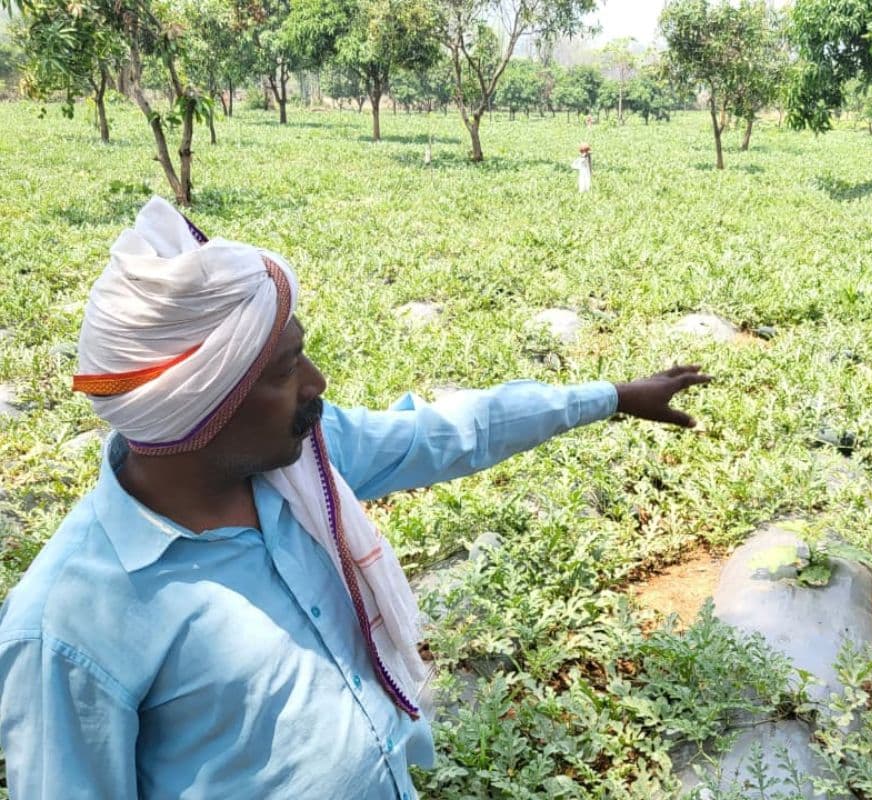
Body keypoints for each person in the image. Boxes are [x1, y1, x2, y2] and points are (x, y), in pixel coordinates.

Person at [0, 197, 710, 798]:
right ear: (201, 407)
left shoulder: (303, 461)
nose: (316, 383)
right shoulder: (68, 627)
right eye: (284, 369)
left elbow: (448, 432)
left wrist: (612, 398)